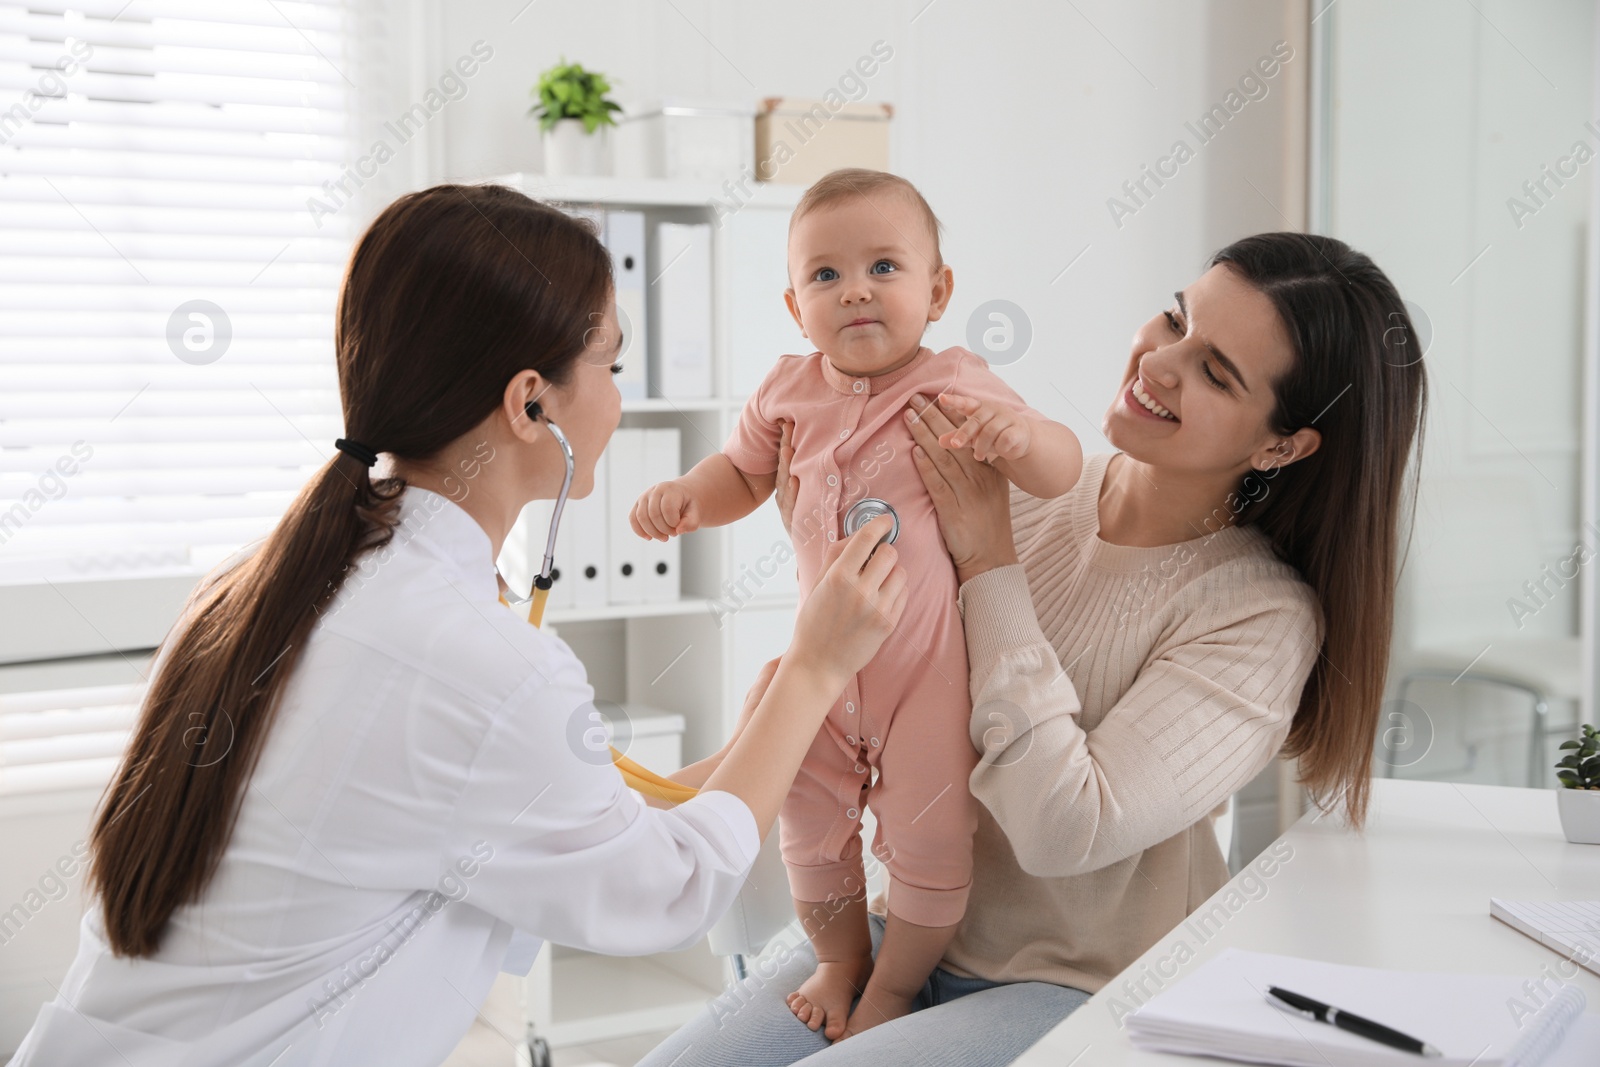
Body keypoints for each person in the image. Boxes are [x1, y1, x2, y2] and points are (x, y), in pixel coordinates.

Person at [5, 184, 907, 1067]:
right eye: (612, 365)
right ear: (530, 404)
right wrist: (813, 674)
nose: (618, 399)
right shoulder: (473, 660)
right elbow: (665, 890)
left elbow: (570, 815)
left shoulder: (265, 591)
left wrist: (777, 728)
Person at [642, 231, 1428, 1067]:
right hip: (906, 927)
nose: (1161, 362)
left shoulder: (1259, 616)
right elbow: (872, 690)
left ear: (1282, 444)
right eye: (1175, 318)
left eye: (1215, 372)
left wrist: (989, 563)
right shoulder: (1013, 480)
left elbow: (1065, 831)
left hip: (1085, 988)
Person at [631, 168, 1083, 1040]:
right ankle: (841, 959)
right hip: (823, 672)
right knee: (808, 824)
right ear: (796, 304)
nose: (856, 291)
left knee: (931, 835)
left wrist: (1021, 439)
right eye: (826, 275)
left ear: (938, 289)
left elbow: (1060, 467)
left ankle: (898, 982)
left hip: (926, 675)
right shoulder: (785, 390)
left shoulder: (955, 380)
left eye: (885, 266)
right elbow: (740, 473)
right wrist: (692, 494)